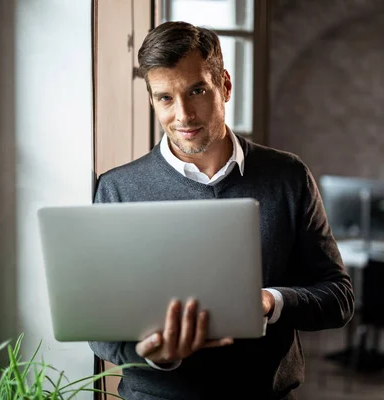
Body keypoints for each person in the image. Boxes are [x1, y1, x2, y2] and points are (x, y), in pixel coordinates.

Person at [88, 21, 354, 400]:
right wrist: (157, 356)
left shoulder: (288, 176)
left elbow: (339, 298)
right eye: (165, 98)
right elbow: (98, 326)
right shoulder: (118, 189)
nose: (183, 115)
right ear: (152, 101)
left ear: (225, 85)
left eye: (196, 90)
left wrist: (270, 301)